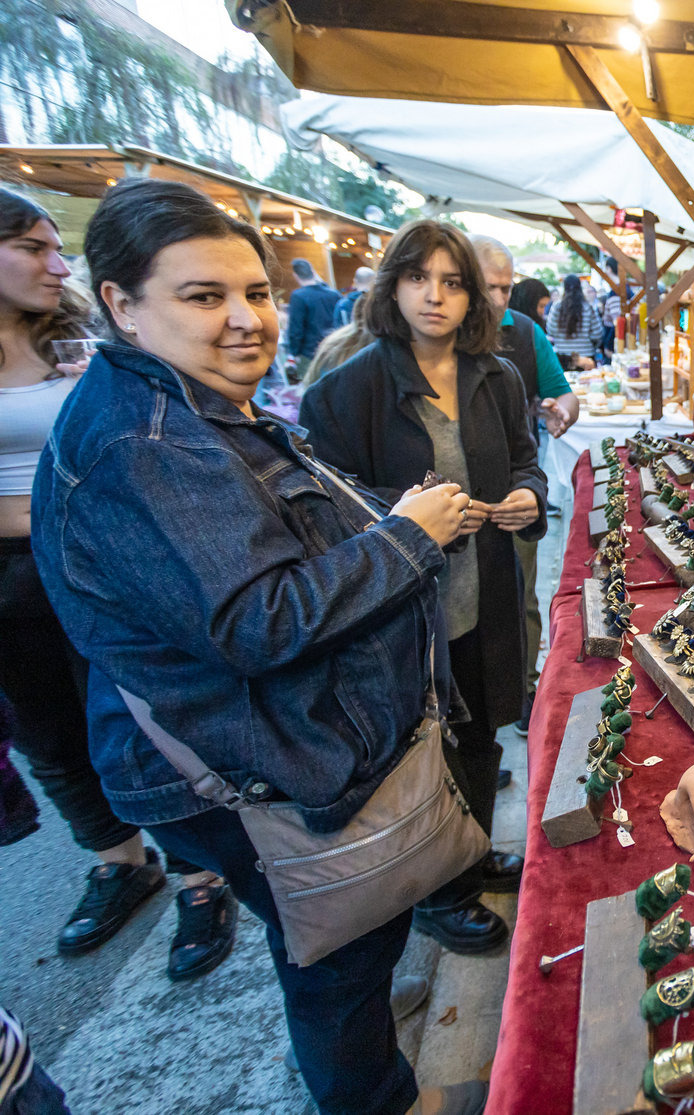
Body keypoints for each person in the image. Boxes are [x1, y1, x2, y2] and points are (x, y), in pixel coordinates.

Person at [31, 177, 487, 1114]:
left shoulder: (189, 403)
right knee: (335, 942)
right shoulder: (145, 445)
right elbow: (260, 621)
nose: (245, 320)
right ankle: (373, 1091)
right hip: (243, 761)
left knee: (333, 935)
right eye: (204, 297)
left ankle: (353, 1035)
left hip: (273, 742)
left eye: (256, 292)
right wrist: (408, 538)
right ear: (120, 304)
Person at [0, 188, 236, 980]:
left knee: (145, 716)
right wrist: (67, 510)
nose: (54, 262)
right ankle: (116, 860)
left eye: (53, 246)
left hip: (116, 564)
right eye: (32, 247)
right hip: (16, 576)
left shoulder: (85, 345)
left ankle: (196, 877)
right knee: (52, 732)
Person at [300, 220, 546, 955]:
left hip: (484, 592)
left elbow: (527, 462)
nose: (434, 296)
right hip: (406, 612)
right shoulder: (346, 391)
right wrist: (412, 516)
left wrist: (528, 498)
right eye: (418, 278)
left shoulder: (495, 375)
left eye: (452, 281)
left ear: (472, 295)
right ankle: (438, 893)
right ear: (392, 286)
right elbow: (327, 512)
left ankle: (466, 857)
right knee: (419, 750)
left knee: (478, 735)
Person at [469, 235, 577, 735]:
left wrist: (560, 414)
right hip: (448, 513)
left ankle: (521, 691)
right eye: (486, 287)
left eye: (505, 289)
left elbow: (560, 395)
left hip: (512, 496)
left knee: (521, 596)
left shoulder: (526, 333)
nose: (497, 300)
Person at [284, 258, 339, 370]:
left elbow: (296, 327)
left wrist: (293, 353)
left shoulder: (298, 296)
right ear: (313, 272)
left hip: (310, 352)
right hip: (334, 347)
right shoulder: (334, 294)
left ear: (295, 276)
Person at [546, 273, 603, 372]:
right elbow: (597, 333)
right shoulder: (587, 307)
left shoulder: (556, 307)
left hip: (563, 357)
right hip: (586, 358)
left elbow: (550, 330)